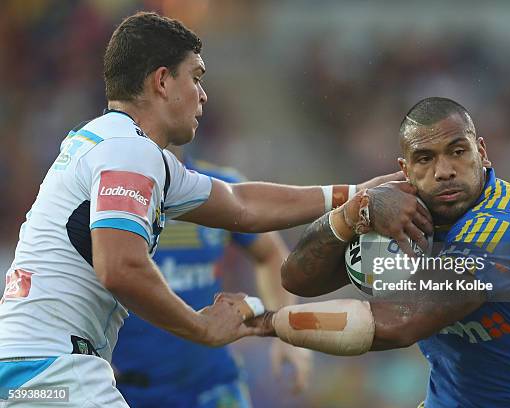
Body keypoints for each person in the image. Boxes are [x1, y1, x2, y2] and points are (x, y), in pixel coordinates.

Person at [0, 12, 408, 407]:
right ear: (162, 81)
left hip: (32, 373)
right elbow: (119, 267)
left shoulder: (116, 145)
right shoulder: (129, 150)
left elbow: (241, 204)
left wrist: (354, 192)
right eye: (195, 77)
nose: (204, 94)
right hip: (53, 371)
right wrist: (201, 328)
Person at [264, 97, 510, 407]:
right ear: (405, 170)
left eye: (458, 151)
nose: (444, 171)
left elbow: (400, 322)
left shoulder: (509, 228)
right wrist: (351, 214)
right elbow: (298, 279)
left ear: (482, 153)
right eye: (425, 158)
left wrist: (264, 322)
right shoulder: (403, 214)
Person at [114, 150, 311, 408]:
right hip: (129, 392)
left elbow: (271, 256)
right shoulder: (112, 194)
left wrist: (287, 331)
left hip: (214, 387)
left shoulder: (220, 187)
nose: (201, 106)